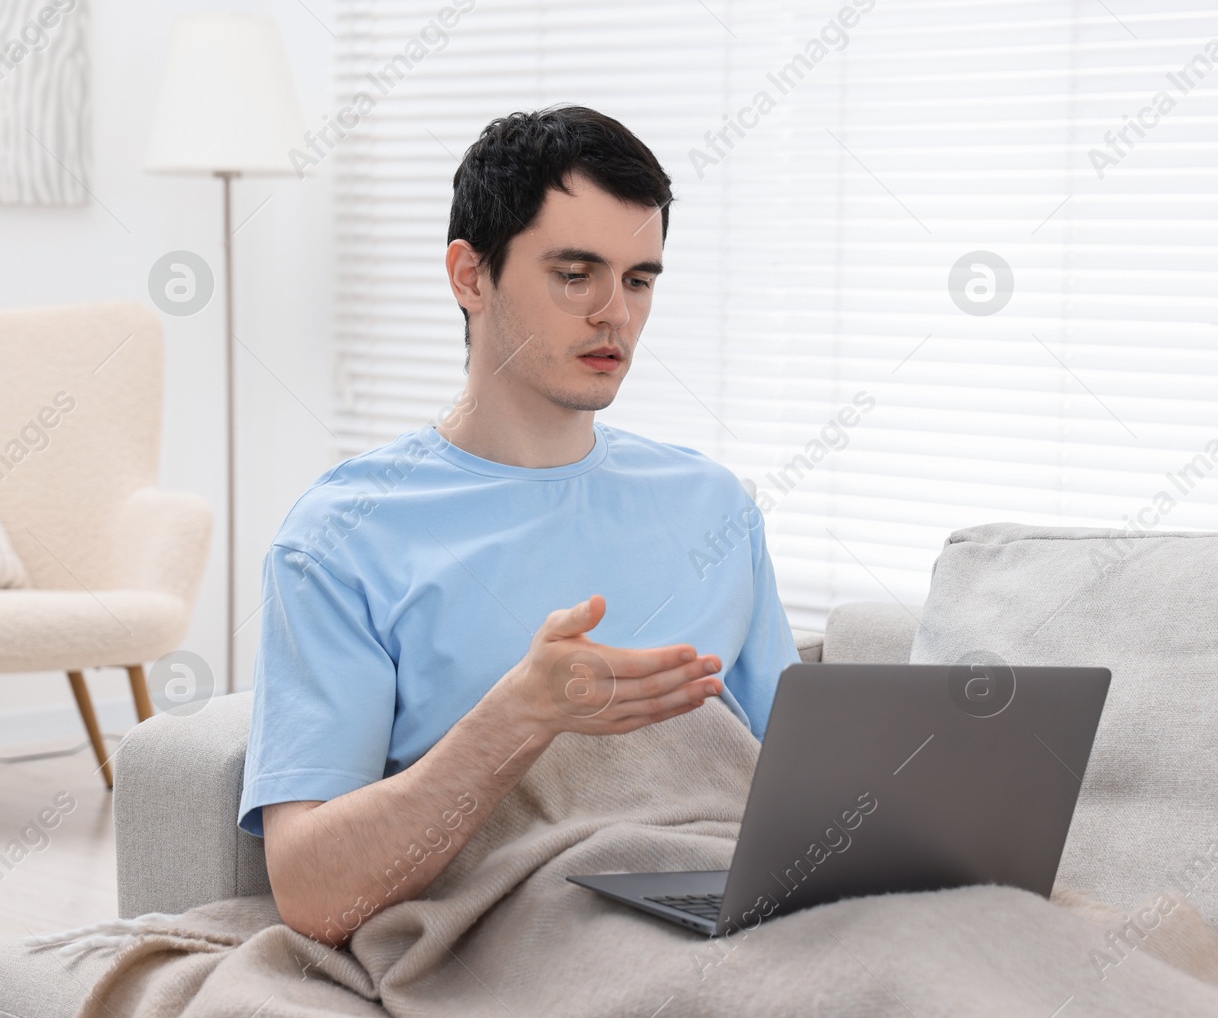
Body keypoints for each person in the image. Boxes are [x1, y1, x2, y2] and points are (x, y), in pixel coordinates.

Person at [238, 106, 798, 946]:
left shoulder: (713, 504)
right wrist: (521, 716)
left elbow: (791, 782)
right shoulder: (343, 535)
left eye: (639, 279)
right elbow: (316, 893)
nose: (616, 313)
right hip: (530, 923)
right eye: (576, 274)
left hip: (731, 906)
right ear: (470, 275)